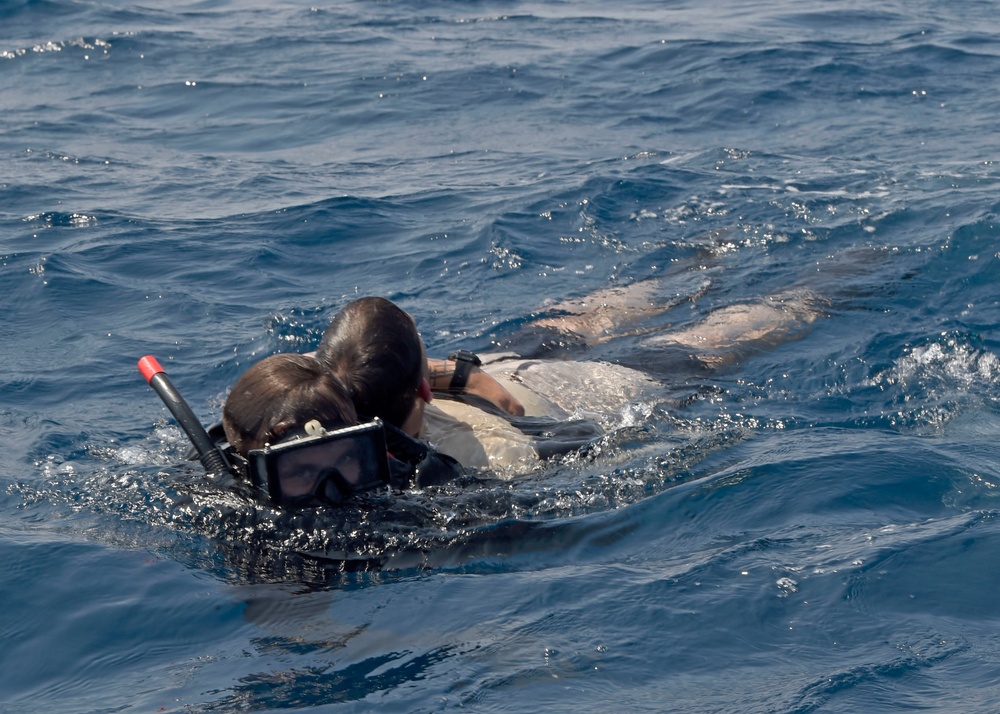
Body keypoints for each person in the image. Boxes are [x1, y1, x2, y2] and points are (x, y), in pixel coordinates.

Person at [316, 278, 823, 475]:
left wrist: (465, 378)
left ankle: (808, 291)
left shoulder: (316, 419)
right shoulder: (487, 460)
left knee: (576, 324)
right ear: (422, 386)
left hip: (492, 379)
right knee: (702, 341)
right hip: (555, 388)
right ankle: (704, 266)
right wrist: (466, 378)